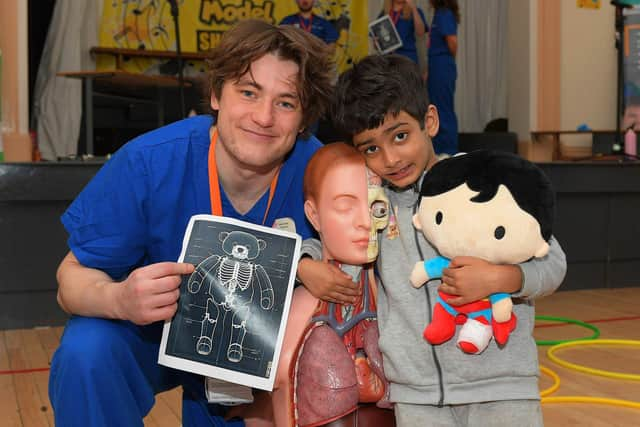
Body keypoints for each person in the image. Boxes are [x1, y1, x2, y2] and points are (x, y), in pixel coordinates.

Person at [48, 19, 346, 427]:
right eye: (248, 92)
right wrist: (119, 299)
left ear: (304, 117)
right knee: (88, 350)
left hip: (261, 359)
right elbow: (69, 280)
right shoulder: (148, 163)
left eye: (286, 102)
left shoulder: (324, 174)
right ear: (216, 95)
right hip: (155, 333)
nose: (263, 117)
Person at [331, 53, 567, 427]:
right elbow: (328, 238)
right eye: (372, 148)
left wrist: (504, 279)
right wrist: (306, 262)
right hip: (416, 394)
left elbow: (553, 262)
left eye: (401, 136)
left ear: (430, 121)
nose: (390, 158)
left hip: (501, 385)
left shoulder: (481, 179)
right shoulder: (371, 205)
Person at [270, 143, 394, 426]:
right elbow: (281, 386)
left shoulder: (396, 291)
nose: (365, 222)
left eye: (374, 206)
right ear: (314, 216)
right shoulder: (299, 313)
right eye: (346, 206)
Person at [427, 0, 460, 155]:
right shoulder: (438, 14)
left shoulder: (444, 13)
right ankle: (439, 150)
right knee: (435, 108)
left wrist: (444, 62)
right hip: (436, 66)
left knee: (443, 109)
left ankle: (449, 151)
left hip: (442, 65)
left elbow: (452, 43)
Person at [377, 0, 427, 65]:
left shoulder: (415, 11)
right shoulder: (384, 13)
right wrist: (377, 43)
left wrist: (414, 9)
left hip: (407, 58)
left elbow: (420, 33)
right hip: (388, 59)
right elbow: (378, 41)